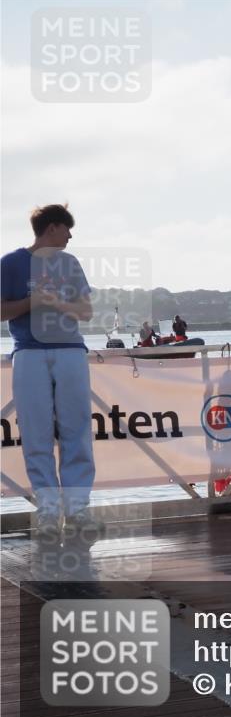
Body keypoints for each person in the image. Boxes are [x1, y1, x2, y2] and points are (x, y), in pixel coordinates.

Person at [0, 204, 98, 538]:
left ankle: (77, 510)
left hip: (70, 351)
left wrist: (55, 303)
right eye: (67, 229)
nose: (70, 236)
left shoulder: (69, 264)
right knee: (36, 432)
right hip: (28, 352)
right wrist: (31, 303)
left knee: (77, 430)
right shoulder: (11, 264)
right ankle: (48, 512)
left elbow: (85, 311)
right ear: (52, 228)